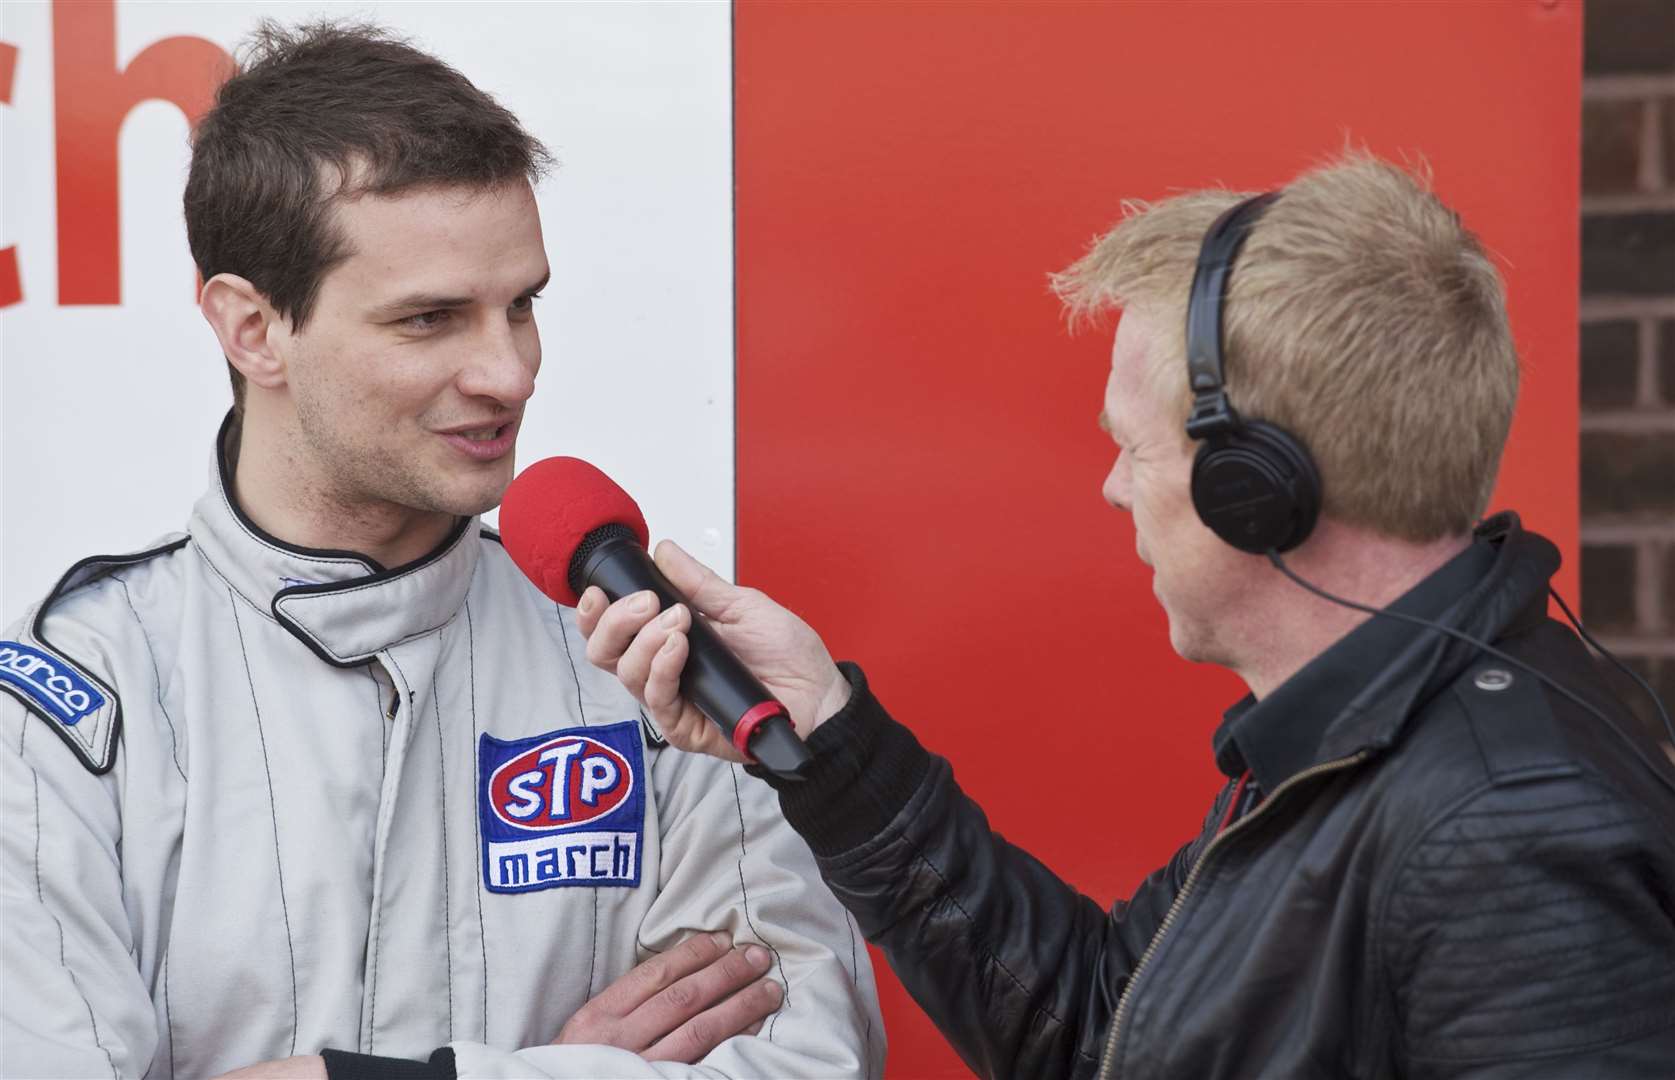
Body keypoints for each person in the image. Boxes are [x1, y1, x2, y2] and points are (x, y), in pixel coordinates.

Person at [579, 152, 1675, 1078]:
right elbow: (1103, 1027)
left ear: (1254, 487)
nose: (1111, 488)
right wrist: (822, 731)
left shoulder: (1505, 829)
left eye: (1131, 447)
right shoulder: (1358, 742)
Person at [0, 21, 881, 1080]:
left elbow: (809, 1061)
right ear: (250, 329)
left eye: (523, 305)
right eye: (430, 321)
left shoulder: (654, 667)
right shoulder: (68, 707)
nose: (508, 374)